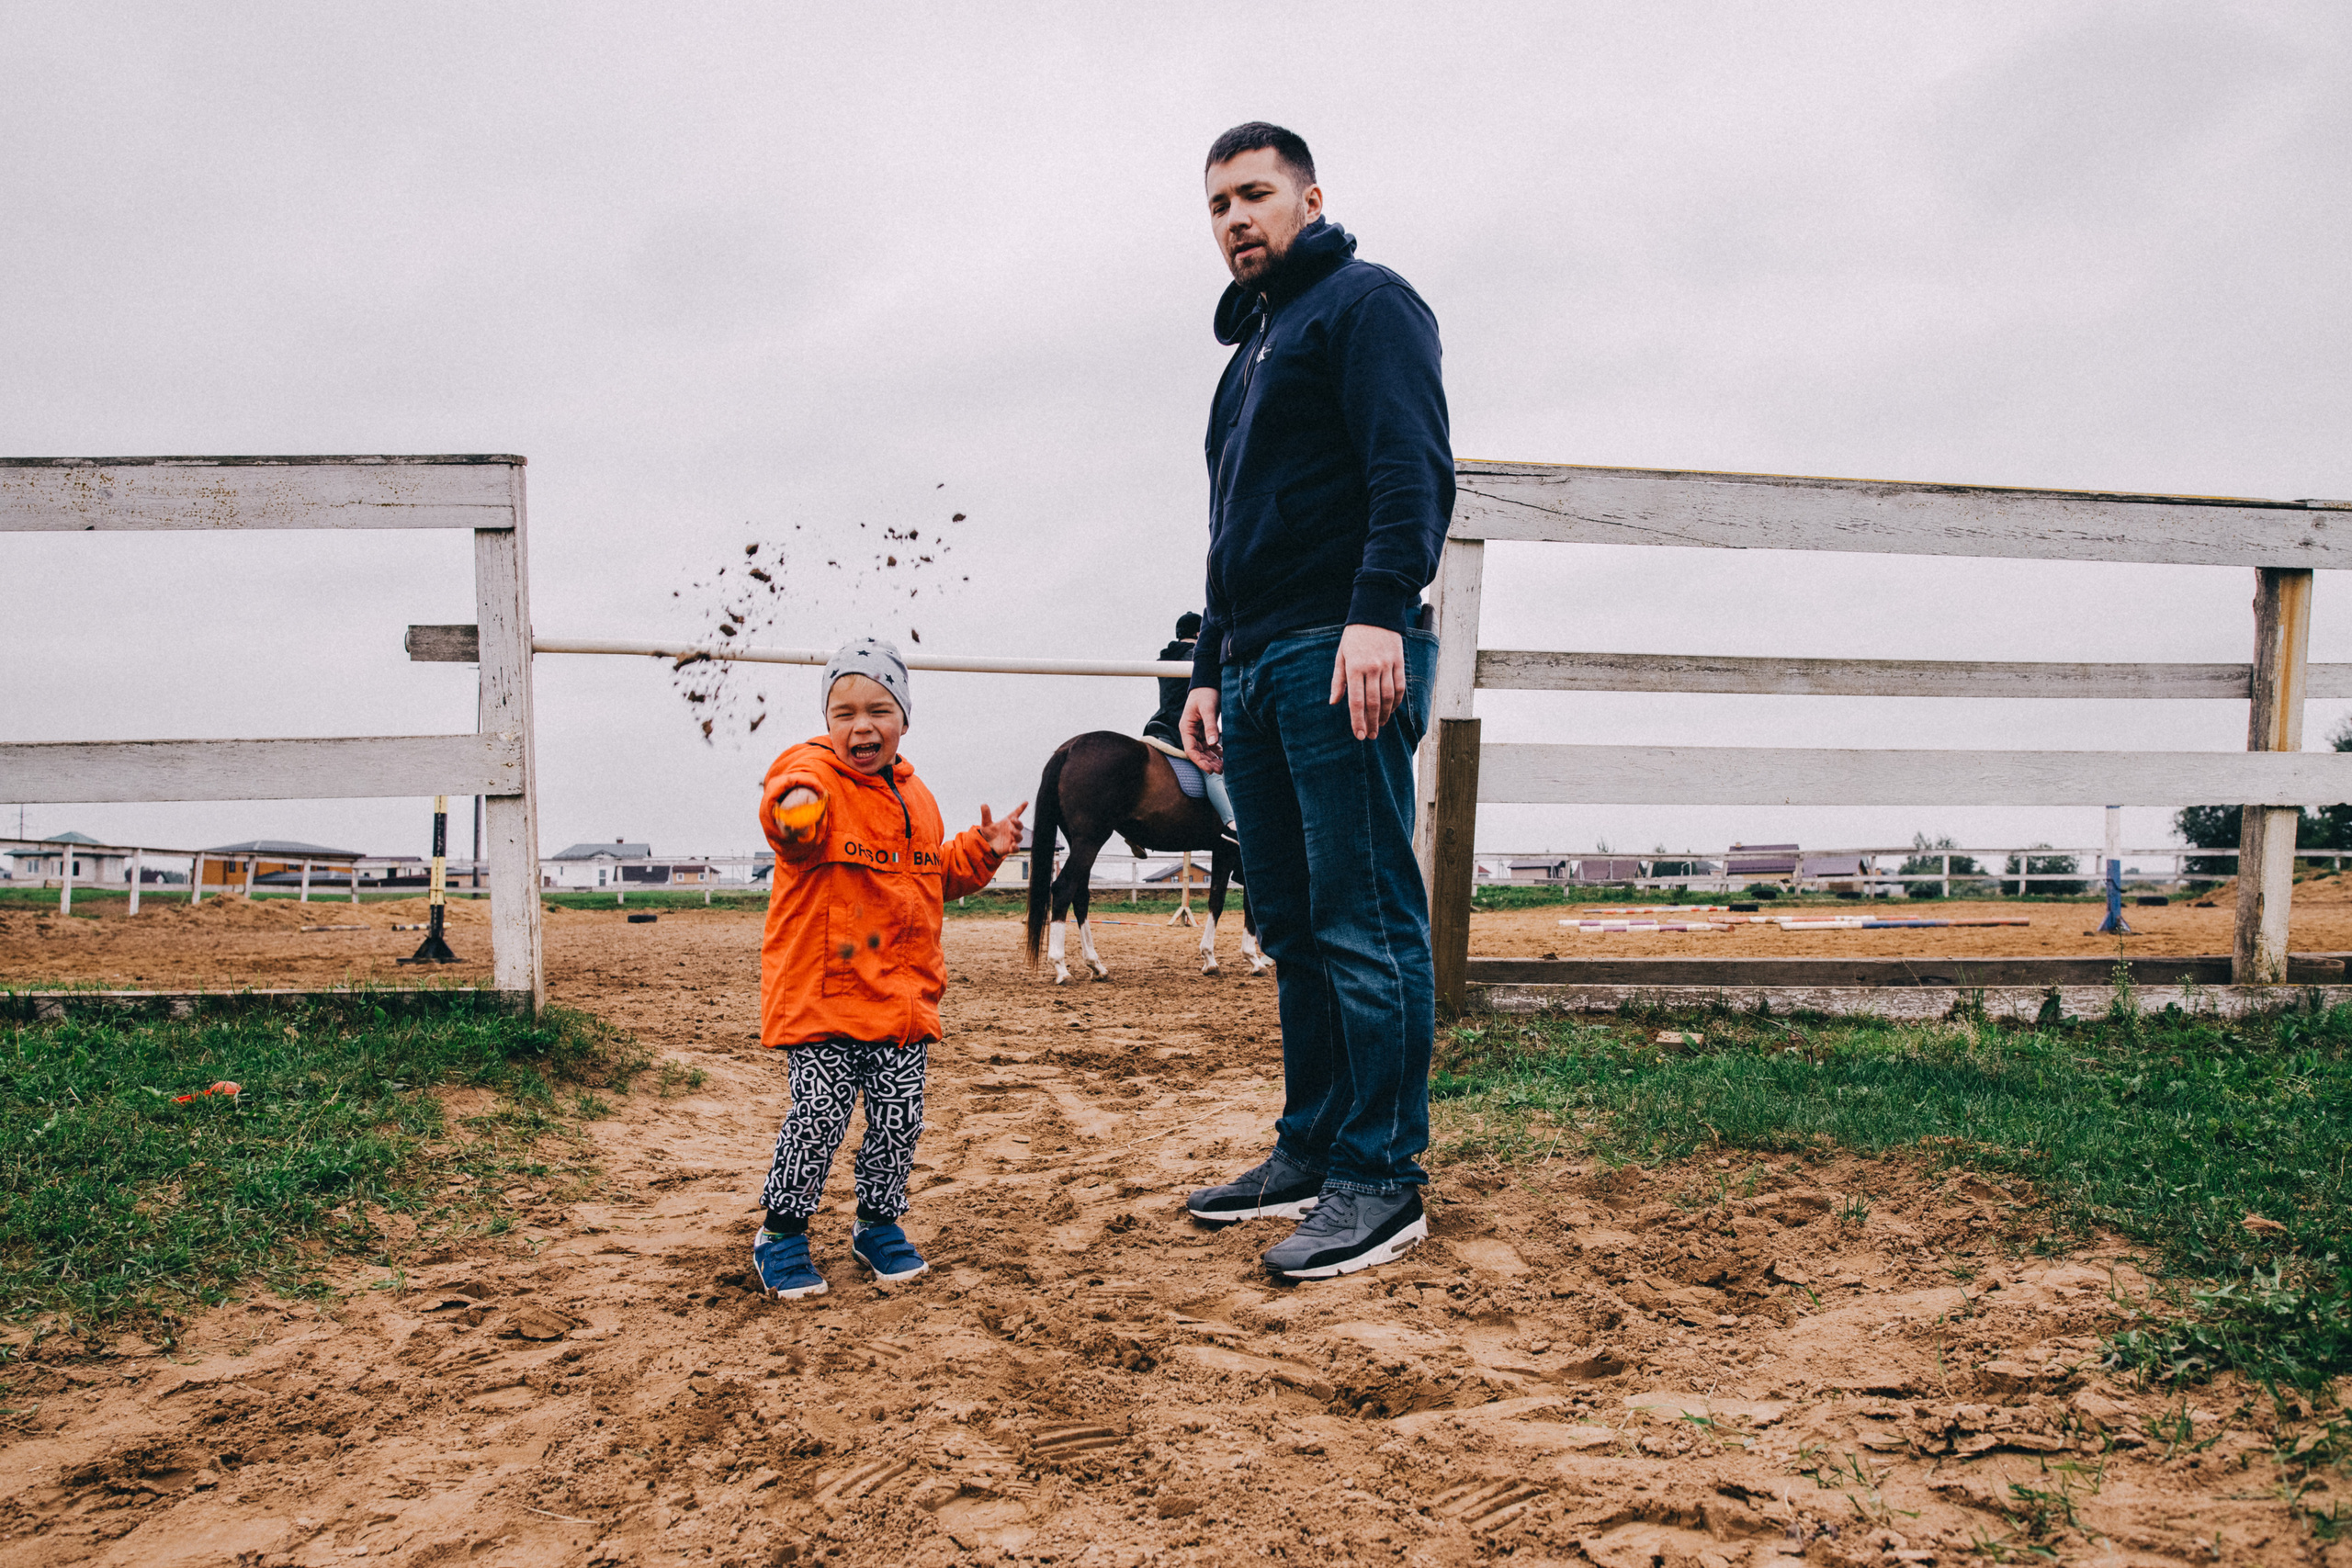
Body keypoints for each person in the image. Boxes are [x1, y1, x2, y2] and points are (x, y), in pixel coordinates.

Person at [1177, 122, 1453, 1280]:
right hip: (1254, 666)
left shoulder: (1364, 304)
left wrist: (1380, 609)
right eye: (1217, 207)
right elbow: (1228, 532)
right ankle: (1311, 1147)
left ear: (1308, 198)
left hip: (1340, 652)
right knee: (1288, 923)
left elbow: (1410, 467)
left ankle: (1381, 1179)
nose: (1236, 220)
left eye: (1254, 195)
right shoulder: (1246, 356)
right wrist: (1203, 670)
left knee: (1365, 915)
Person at [749, 637, 1025, 1299]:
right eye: (843, 712)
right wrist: (793, 805)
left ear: (903, 717)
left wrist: (981, 852)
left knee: (900, 1119)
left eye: (878, 708)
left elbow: (931, 875)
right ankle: (782, 1232)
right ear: (828, 724)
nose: (861, 724)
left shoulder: (917, 796)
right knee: (818, 1113)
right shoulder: (811, 772)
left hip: (900, 1000)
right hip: (824, 995)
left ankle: (877, 1221)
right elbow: (790, 811)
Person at [1145, 610, 1235, 833]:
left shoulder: (1165, 658)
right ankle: (1231, 824)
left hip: (1158, 727)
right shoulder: (1195, 657)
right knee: (1213, 772)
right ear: (1199, 632)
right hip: (1185, 729)